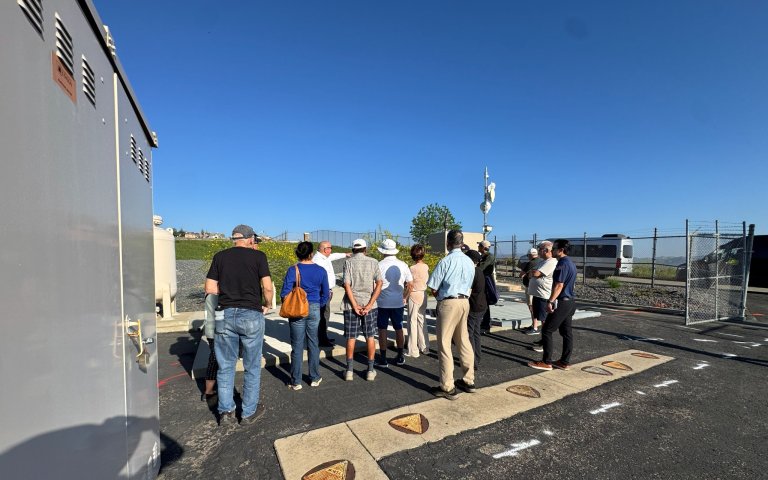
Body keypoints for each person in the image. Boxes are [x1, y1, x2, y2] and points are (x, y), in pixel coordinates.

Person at [205, 224, 273, 426]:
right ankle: (249, 412)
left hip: (224, 313)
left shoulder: (220, 256)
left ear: (234, 239)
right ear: (250, 239)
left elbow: (209, 287)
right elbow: (267, 287)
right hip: (251, 313)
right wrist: (267, 304)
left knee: (225, 366)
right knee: (252, 366)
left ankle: (226, 412)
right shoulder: (258, 257)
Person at [427, 230, 476, 400]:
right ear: (462, 243)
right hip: (465, 301)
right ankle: (469, 379)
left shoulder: (446, 261)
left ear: (448, 243)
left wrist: (441, 298)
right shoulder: (469, 261)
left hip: (449, 302)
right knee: (463, 340)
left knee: (444, 344)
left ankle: (447, 386)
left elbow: (433, 286)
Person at [281, 241, 330, 390]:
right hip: (314, 307)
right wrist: (318, 304)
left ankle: (296, 381)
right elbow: (326, 293)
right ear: (310, 254)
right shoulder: (321, 270)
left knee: (296, 345)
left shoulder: (293, 270)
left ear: (298, 253)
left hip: (297, 309)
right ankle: (314, 377)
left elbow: (284, 293)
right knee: (313, 343)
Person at [529, 239, 578, 371]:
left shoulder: (562, 263)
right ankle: (564, 362)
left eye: (555, 248)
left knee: (547, 330)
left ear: (561, 250)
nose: (553, 251)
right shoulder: (571, 263)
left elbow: (559, 285)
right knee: (567, 332)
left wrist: (550, 301)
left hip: (562, 302)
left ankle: (546, 362)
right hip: (570, 301)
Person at [341, 239, 383, 381]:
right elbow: (379, 283)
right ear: (365, 249)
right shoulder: (373, 262)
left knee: (351, 337)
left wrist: (354, 305)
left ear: (353, 250)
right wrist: (370, 303)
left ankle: (349, 371)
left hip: (351, 304)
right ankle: (370, 370)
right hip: (369, 304)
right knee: (370, 336)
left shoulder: (348, 262)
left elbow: (346, 284)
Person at [375, 239, 413, 368]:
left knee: (382, 329)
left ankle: (383, 358)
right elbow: (410, 284)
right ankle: (400, 355)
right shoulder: (403, 264)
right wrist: (405, 297)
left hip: (382, 302)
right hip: (398, 302)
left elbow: (374, 284)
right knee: (398, 328)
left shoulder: (378, 265)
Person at [311, 241, 350, 347]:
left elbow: (333, 256)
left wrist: (345, 254)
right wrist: (327, 291)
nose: (331, 250)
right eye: (330, 248)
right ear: (325, 249)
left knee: (324, 315)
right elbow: (319, 279)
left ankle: (323, 337)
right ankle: (321, 339)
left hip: (325, 290)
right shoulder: (319, 261)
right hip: (322, 291)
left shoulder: (324, 257)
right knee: (323, 315)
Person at [525, 242, 557, 337]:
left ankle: (545, 343)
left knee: (545, 321)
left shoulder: (551, 261)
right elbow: (531, 272)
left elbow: (535, 273)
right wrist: (533, 273)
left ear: (546, 250)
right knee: (540, 318)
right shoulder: (542, 261)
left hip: (544, 296)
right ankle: (543, 340)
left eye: (539, 249)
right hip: (538, 294)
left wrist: (533, 273)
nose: (538, 251)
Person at [406, 244, 430, 358]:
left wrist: (404, 297)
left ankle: (413, 350)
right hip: (423, 294)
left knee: (412, 322)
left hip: (414, 294)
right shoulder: (426, 267)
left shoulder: (411, 268)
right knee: (422, 320)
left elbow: (409, 285)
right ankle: (424, 346)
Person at [465, 250, 486, 371]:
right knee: (476, 333)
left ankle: (472, 361)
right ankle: (477, 358)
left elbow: (468, 289)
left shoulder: (472, 272)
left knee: (470, 334)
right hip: (482, 305)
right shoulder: (480, 271)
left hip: (474, 306)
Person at [201, 292, 219, 406]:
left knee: (213, 359)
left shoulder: (209, 293)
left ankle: (209, 390)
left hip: (210, 330)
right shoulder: (218, 294)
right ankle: (209, 391)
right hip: (217, 331)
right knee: (215, 360)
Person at [518, 248, 539, 334]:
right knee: (535, 306)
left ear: (530, 255)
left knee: (531, 307)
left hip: (530, 287)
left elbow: (521, 275)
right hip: (537, 287)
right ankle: (534, 325)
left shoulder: (530, 263)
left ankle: (535, 327)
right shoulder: (541, 261)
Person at [477, 239, 496, 333]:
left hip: (486, 281)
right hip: (483, 280)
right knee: (484, 302)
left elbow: (481, 268)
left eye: (479, 246)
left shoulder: (489, 257)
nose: (478, 247)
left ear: (483, 247)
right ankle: (485, 323)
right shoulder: (484, 256)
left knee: (485, 302)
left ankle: (486, 324)